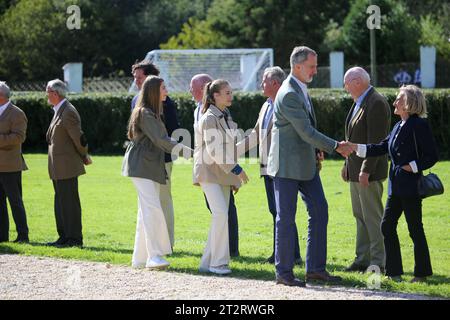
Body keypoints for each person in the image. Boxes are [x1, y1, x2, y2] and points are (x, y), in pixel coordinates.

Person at [267, 46, 351, 287]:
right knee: (286, 219)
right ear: (297, 66)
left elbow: (303, 131)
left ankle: (315, 270)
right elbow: (305, 131)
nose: (315, 70)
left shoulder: (299, 88)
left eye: (315, 65)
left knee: (320, 210)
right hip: (286, 166)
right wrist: (336, 145)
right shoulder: (289, 93)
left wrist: (317, 150)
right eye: (312, 66)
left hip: (305, 164)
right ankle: (283, 273)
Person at [348, 85, 438, 283]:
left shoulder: (419, 125)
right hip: (395, 187)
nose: (395, 102)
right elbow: (381, 147)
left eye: (398, 99)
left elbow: (432, 155)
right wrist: (356, 147)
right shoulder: (398, 126)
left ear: (408, 103)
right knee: (387, 226)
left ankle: (421, 274)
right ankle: (393, 272)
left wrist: (412, 166)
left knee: (415, 229)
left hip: (411, 187)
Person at [122, 75, 191, 269]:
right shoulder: (145, 113)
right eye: (163, 88)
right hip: (141, 166)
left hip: (147, 166)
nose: (166, 91)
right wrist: (188, 151)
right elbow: (161, 140)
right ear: (153, 91)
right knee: (152, 209)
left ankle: (140, 258)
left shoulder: (151, 112)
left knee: (146, 211)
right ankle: (155, 256)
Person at [237, 67, 303, 265]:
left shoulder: (287, 102)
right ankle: (287, 254)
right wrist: (233, 151)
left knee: (283, 211)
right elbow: (256, 134)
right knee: (276, 211)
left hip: (283, 166)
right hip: (267, 167)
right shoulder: (266, 105)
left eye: (264, 81)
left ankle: (288, 254)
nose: (261, 85)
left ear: (275, 83)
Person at [193, 79, 249, 275]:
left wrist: (233, 178)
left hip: (221, 174)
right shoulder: (209, 118)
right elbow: (215, 151)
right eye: (226, 92)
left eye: (230, 91)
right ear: (215, 96)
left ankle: (207, 262)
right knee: (220, 214)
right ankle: (218, 263)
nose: (230, 95)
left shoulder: (225, 116)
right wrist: (237, 171)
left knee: (220, 217)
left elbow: (230, 150)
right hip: (208, 172)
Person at [342, 67, 391, 273]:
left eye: (347, 83)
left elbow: (376, 142)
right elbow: (353, 139)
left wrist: (365, 170)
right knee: (360, 216)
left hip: (367, 173)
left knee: (372, 217)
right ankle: (362, 259)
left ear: (357, 82)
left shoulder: (376, 102)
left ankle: (378, 261)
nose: (345, 87)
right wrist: (347, 166)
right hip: (356, 171)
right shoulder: (361, 101)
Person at [131, 60, 180, 248]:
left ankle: (167, 242)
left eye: (139, 77)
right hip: (145, 161)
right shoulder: (136, 101)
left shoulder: (165, 101)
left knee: (163, 200)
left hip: (164, 158)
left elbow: (173, 130)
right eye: (135, 77)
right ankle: (149, 245)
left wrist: (177, 151)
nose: (136, 81)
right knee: (147, 203)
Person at [46, 79, 92, 248]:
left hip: (67, 166)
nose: (46, 95)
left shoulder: (68, 111)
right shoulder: (59, 110)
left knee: (69, 203)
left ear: (55, 93)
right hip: (58, 167)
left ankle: (74, 239)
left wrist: (84, 155)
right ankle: (64, 236)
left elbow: (79, 138)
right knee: (61, 202)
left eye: (48, 91)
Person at [0, 81, 29, 243]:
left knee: (15, 202)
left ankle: (23, 235)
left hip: (11, 166)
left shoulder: (17, 113)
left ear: (1, 96)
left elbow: (19, 137)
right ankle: (2, 236)